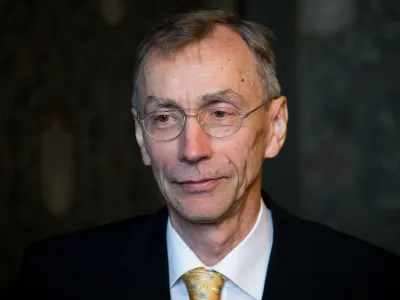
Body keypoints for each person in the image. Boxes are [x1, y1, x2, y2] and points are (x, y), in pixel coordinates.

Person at [9, 10, 400, 300]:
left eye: (219, 113)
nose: (192, 149)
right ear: (141, 137)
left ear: (275, 127)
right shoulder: (58, 279)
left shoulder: (371, 283)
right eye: (164, 117)